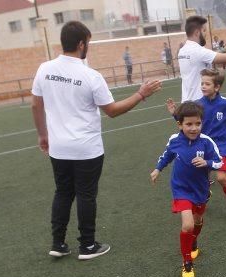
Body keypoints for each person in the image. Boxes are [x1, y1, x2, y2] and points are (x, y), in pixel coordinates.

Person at [31, 21, 161, 260]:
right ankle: (88, 246)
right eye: (88, 42)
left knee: (62, 193)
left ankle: (58, 243)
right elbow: (112, 110)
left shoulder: (44, 69)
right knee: (86, 194)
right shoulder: (90, 76)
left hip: (59, 148)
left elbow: (35, 104)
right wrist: (141, 94)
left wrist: (42, 134)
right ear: (82, 43)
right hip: (86, 148)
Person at [166, 69, 226, 219]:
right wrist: (175, 113)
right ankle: (204, 193)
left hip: (221, 148)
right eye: (202, 83)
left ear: (217, 87)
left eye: (207, 84)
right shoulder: (198, 105)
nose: (203, 86)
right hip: (202, 147)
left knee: (221, 178)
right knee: (199, 177)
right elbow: (186, 122)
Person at [150, 101, 222, 277]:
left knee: (197, 221)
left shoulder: (206, 142)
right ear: (180, 125)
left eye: (197, 124)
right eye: (189, 124)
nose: (193, 128)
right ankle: (187, 261)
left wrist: (207, 163)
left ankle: (193, 240)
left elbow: (220, 161)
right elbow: (167, 155)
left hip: (201, 189)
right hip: (181, 188)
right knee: (188, 224)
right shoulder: (175, 140)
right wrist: (158, 169)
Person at [178, 15, 226, 182]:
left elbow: (207, 58)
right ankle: (205, 175)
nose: (206, 34)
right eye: (204, 30)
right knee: (213, 136)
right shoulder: (196, 50)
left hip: (187, 103)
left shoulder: (183, 50)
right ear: (197, 32)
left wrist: (225, 48)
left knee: (201, 139)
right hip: (200, 104)